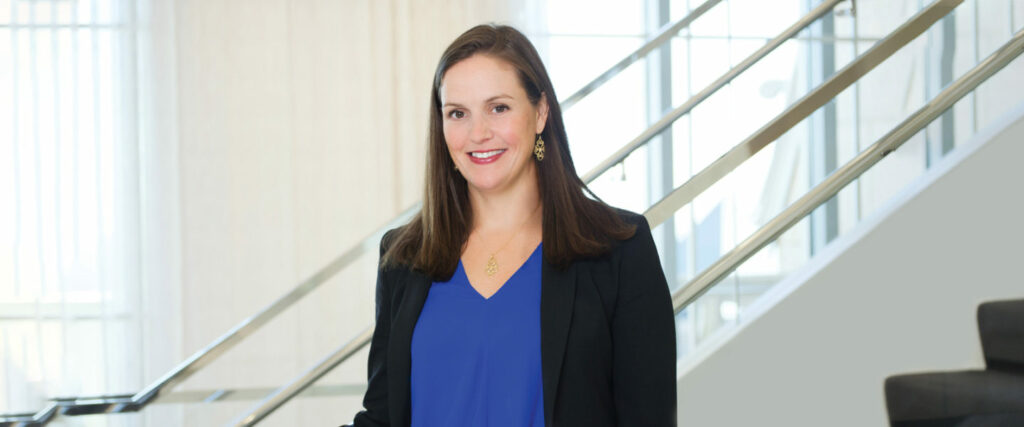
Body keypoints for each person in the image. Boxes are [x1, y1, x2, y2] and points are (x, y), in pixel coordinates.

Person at [343, 24, 676, 427]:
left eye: (498, 108)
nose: (478, 133)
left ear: (540, 113)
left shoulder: (619, 249)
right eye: (458, 113)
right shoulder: (403, 256)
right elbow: (382, 416)